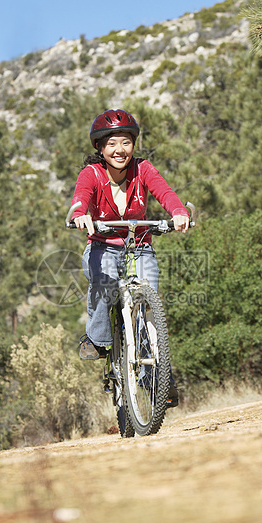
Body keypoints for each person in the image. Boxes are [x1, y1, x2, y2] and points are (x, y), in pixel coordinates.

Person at [70, 109, 189, 407]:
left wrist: (177, 212)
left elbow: (165, 193)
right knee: (104, 284)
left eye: (125, 142)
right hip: (103, 247)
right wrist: (79, 213)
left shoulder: (143, 169)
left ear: (133, 144)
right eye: (111, 144)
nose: (119, 150)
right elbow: (80, 198)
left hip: (140, 246)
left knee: (149, 306)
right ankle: (97, 340)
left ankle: (159, 377)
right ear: (100, 148)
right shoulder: (92, 174)